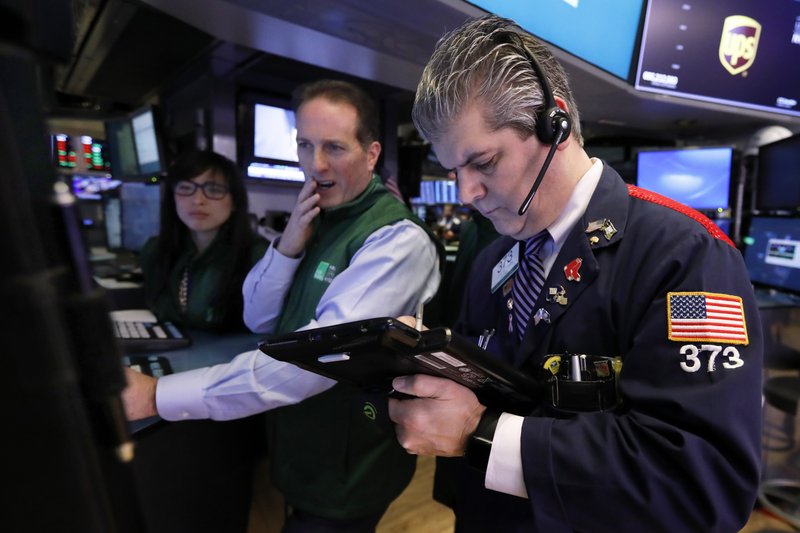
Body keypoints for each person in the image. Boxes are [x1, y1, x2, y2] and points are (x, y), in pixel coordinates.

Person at [388, 15, 763, 533]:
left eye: (484, 163)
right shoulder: (492, 262)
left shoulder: (686, 255)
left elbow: (702, 482)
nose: (465, 193)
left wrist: (482, 434)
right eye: (454, 171)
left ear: (555, 124)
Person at [123, 79, 442, 532]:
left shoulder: (395, 240)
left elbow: (312, 362)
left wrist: (158, 395)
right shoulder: (317, 217)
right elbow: (259, 317)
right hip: (300, 448)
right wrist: (289, 244)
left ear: (371, 154)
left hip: (347, 466)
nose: (315, 164)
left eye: (334, 147)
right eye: (305, 144)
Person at [139, 150, 269, 331]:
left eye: (214, 190)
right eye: (185, 188)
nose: (198, 200)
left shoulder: (259, 257)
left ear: (235, 202)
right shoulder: (154, 251)